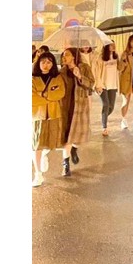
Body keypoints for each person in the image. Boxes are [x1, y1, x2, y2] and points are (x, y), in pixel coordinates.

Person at [32, 51, 67, 186]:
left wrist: (43, 95)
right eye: (43, 62)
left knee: (51, 143)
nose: (45, 65)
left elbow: (60, 93)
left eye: (49, 62)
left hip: (53, 115)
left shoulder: (57, 78)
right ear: (38, 63)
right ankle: (38, 174)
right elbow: (32, 97)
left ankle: (43, 155)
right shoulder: (33, 79)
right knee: (36, 145)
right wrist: (49, 96)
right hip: (37, 116)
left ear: (53, 64)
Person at [60, 47, 95, 176]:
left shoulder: (84, 67)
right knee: (67, 137)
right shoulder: (62, 71)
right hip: (66, 107)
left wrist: (80, 76)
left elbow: (91, 84)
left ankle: (74, 149)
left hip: (80, 105)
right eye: (63, 55)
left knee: (78, 135)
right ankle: (65, 163)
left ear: (74, 56)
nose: (64, 57)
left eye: (67, 55)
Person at [93, 41, 119, 136]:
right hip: (103, 85)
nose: (113, 46)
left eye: (114, 45)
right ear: (106, 46)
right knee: (106, 104)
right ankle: (104, 127)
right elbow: (97, 72)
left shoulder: (116, 57)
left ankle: (103, 116)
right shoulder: (101, 58)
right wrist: (98, 85)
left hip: (113, 85)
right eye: (111, 45)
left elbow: (120, 69)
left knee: (111, 107)